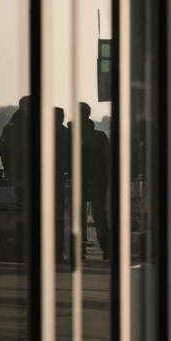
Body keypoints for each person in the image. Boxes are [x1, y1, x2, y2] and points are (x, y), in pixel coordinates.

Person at [78, 103, 112, 259]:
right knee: (100, 217)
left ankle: (79, 250)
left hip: (76, 182)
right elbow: (108, 161)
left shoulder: (70, 135)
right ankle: (106, 249)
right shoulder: (99, 137)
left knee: (76, 217)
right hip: (97, 182)